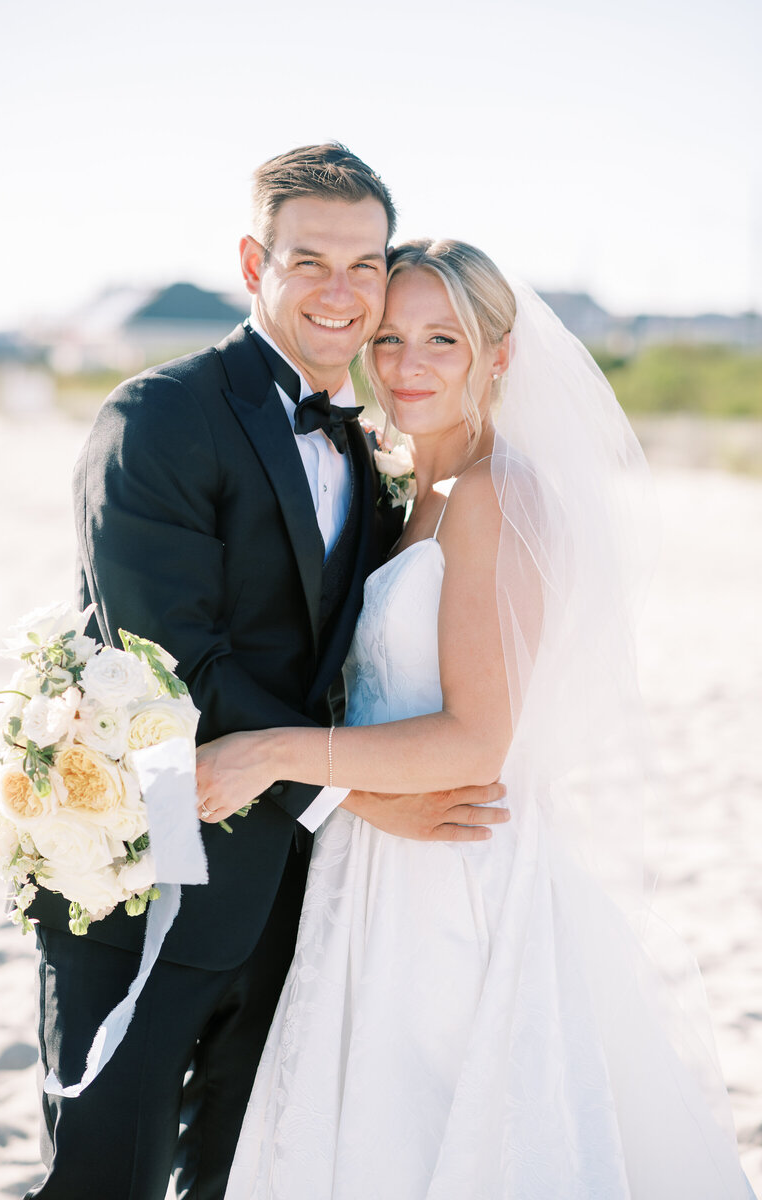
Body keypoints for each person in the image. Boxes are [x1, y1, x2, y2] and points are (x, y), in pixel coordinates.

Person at [198, 239, 755, 1198]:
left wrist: (268, 753)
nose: (407, 365)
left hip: (455, 884)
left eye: (442, 341)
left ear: (498, 356)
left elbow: (476, 741)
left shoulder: (496, 495)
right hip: (380, 861)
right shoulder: (416, 488)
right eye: (391, 338)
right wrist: (351, 799)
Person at [24, 150, 508, 1200]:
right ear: (254, 262)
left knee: (242, 1171)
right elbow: (171, 662)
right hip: (151, 870)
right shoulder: (158, 418)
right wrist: (362, 797)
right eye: (309, 261)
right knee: (107, 1172)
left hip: (301, 899)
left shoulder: (377, 455)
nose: (342, 293)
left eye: (365, 264)